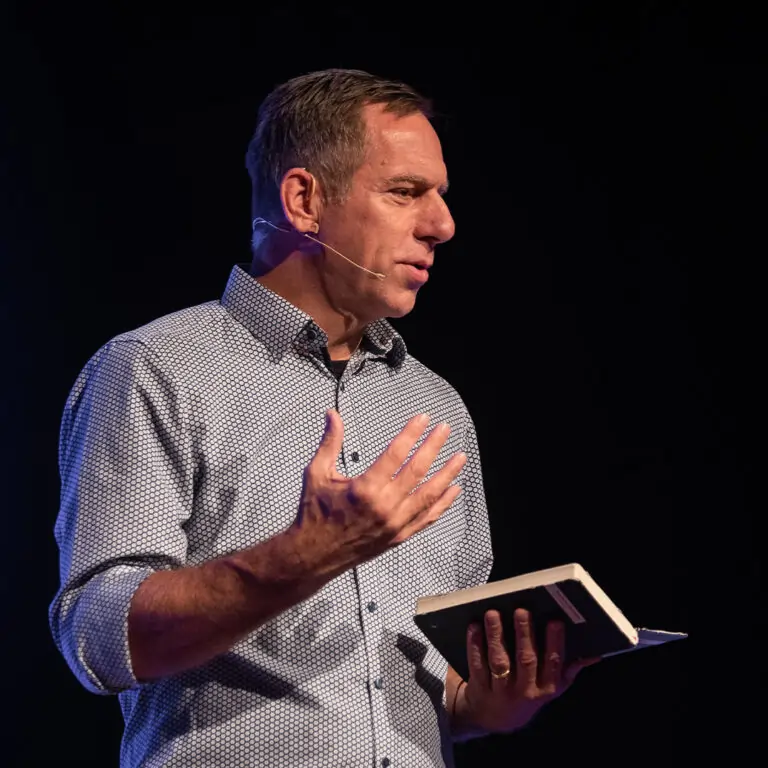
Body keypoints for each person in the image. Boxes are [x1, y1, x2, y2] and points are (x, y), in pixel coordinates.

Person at [49, 68, 594, 768]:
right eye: (405, 193)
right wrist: (304, 556)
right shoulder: (155, 368)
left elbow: (439, 690)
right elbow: (97, 639)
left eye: (441, 197)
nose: (443, 225)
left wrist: (494, 703)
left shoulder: (435, 406)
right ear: (304, 199)